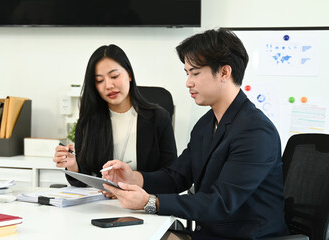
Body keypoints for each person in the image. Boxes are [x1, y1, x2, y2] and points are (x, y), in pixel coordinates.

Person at [102, 29, 289, 239]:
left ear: (224, 73)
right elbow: (177, 177)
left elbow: (221, 203)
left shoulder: (255, 131)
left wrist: (150, 202)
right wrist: (134, 178)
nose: (188, 82)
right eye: (187, 73)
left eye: (195, 73)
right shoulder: (206, 123)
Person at [53, 44, 177, 187]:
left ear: (129, 75)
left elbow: (171, 177)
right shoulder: (88, 121)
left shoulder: (158, 118)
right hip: (101, 205)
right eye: (99, 81)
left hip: (143, 204)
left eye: (114, 76)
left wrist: (133, 182)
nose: (108, 85)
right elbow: (85, 179)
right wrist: (73, 165)